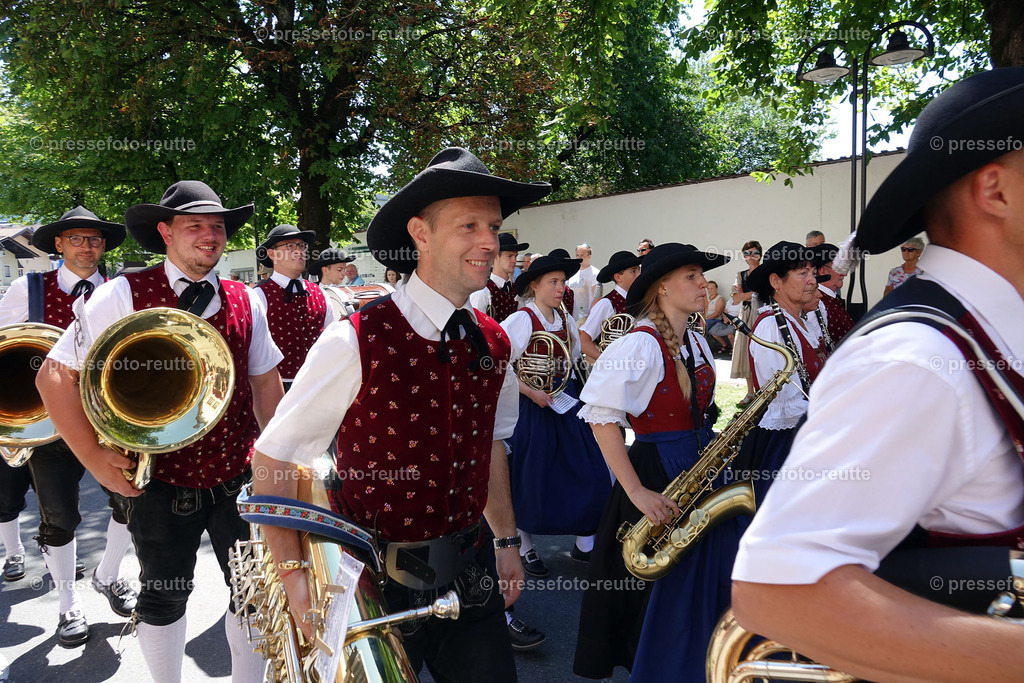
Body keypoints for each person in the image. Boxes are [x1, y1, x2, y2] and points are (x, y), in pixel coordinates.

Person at [732, 68, 1024, 681]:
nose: (814, 278)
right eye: (802, 272)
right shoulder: (917, 358)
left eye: (817, 270)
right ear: (995, 189)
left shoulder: (969, 333)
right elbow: (779, 588)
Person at [251, 147, 551, 681]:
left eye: (494, 226)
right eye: (470, 226)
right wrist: (296, 578)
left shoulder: (495, 340)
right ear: (420, 233)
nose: (490, 241)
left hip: (469, 568)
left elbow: (491, 446)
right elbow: (273, 457)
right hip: (370, 581)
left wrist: (506, 540)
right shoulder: (354, 338)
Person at [37, 181, 284, 681]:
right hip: (159, 480)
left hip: (237, 476)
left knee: (253, 594)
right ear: (165, 232)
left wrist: (280, 461)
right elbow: (54, 376)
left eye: (217, 227)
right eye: (195, 225)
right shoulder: (121, 292)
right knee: (162, 596)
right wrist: (93, 458)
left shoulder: (245, 298)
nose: (210, 236)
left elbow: (264, 382)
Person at [574, 243, 736, 681]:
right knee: (657, 586)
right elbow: (602, 418)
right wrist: (636, 492)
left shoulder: (696, 339)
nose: (703, 283)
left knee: (697, 580)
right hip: (656, 471)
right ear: (662, 287)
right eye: (691, 276)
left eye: (702, 275)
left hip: (696, 462)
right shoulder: (639, 343)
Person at [0, 206, 138, 647]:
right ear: (58, 245)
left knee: (129, 500)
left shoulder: (120, 289)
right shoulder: (27, 287)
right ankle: (66, 604)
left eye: (95, 239)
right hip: (50, 420)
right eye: (77, 239)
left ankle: (109, 574)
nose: (88, 246)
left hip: (108, 417)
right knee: (58, 518)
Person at [502, 255, 612, 576]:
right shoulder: (522, 320)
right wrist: (532, 392)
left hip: (563, 401)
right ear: (534, 286)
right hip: (531, 407)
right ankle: (525, 546)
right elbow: (502, 366)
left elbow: (573, 358)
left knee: (589, 468)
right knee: (529, 476)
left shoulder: (564, 320)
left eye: (563, 282)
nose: (561, 288)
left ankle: (584, 543)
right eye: (553, 282)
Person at [732, 241, 827, 502]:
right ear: (776, 281)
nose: (812, 281)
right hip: (786, 442)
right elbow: (785, 401)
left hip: (806, 434)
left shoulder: (799, 320)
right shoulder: (770, 327)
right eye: (802, 273)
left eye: (812, 272)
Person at [255, 224, 334, 391]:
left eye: (301, 245)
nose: (299, 251)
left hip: (318, 383)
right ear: (271, 254)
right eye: (290, 246)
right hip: (276, 387)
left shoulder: (320, 293)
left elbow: (331, 341)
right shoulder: (259, 296)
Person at [578, 250, 642, 361]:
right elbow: (583, 341)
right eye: (633, 271)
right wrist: (606, 362)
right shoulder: (606, 304)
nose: (639, 274)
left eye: (639, 270)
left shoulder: (640, 300)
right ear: (618, 277)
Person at [469, 232, 529, 322]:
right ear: (496, 256)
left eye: (515, 256)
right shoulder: (483, 293)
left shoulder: (516, 291)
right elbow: (475, 328)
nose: (514, 260)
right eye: (509, 256)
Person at [730, 241, 762, 406]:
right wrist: (745, 295)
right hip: (745, 314)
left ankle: (762, 389)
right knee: (745, 351)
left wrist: (745, 295)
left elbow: (763, 294)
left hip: (761, 314)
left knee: (760, 352)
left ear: (760, 255)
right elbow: (736, 298)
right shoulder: (740, 274)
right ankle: (750, 392)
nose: (751, 256)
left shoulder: (765, 272)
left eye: (755, 253)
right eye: (747, 253)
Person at [811, 242, 854, 346]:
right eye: (839, 268)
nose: (845, 274)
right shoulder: (816, 302)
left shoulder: (832, 299)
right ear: (823, 270)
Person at [566, 243, 602, 319]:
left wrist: (590, 315)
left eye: (582, 255)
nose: (579, 258)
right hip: (571, 316)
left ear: (589, 256)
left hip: (586, 316)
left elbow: (597, 297)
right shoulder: (572, 273)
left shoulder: (594, 273)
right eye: (577, 255)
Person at [704, 280, 734, 355]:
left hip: (715, 320)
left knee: (704, 327)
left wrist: (706, 319)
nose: (710, 290)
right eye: (708, 288)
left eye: (712, 288)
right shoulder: (706, 299)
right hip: (706, 319)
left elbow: (718, 313)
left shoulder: (719, 299)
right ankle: (724, 345)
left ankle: (704, 349)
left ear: (716, 289)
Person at [548, 248, 580, 315]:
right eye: (554, 281)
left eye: (563, 281)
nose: (561, 289)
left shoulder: (569, 293)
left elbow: (575, 316)